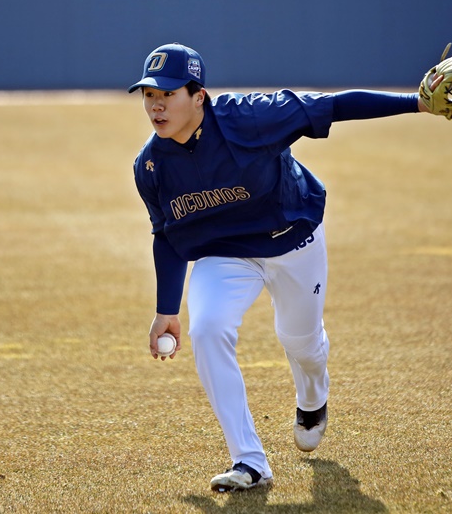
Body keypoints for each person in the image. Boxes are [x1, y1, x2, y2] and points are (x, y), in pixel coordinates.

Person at [130, 43, 434, 492]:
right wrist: (165, 309)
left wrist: (417, 102)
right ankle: (249, 461)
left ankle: (313, 397)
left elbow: (333, 106)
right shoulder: (151, 167)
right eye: (149, 94)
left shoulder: (251, 118)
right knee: (207, 329)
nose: (156, 104)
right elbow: (168, 238)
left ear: (199, 96)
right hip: (225, 253)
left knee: (302, 343)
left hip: (292, 241)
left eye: (168, 93)